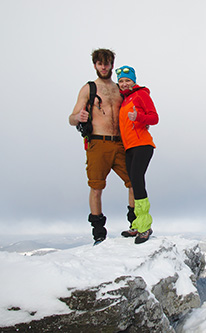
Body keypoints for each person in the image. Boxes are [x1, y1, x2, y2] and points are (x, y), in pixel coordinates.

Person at [69, 49, 135, 245]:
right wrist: (78, 118)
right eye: (100, 63)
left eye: (107, 63)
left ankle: (135, 224)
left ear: (112, 65)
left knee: (133, 182)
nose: (104, 67)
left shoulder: (119, 88)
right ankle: (99, 233)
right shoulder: (88, 89)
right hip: (98, 142)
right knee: (96, 187)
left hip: (121, 142)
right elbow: (71, 118)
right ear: (95, 65)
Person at [116, 65, 159, 244]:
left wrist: (139, 118)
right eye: (121, 81)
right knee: (133, 183)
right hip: (129, 147)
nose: (124, 84)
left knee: (137, 181)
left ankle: (145, 226)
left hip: (142, 145)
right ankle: (136, 224)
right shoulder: (124, 100)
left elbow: (154, 118)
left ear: (134, 81)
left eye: (128, 80)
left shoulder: (141, 94)